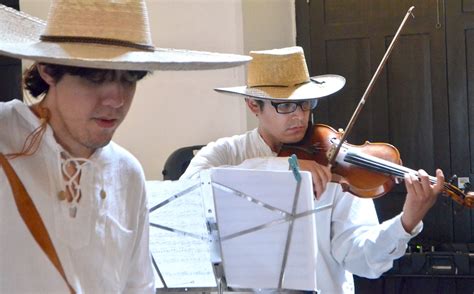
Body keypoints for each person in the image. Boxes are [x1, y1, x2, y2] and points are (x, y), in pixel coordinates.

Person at [0, 1, 249, 293]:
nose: (116, 100)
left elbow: (137, 286)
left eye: (130, 77)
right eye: (96, 77)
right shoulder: (6, 133)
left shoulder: (127, 174)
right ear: (48, 70)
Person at [180, 46, 444, 294]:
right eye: (284, 105)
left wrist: (405, 223)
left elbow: (361, 259)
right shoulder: (225, 153)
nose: (299, 116)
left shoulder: (336, 161)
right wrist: (283, 166)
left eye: (306, 103)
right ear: (253, 105)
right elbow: (187, 197)